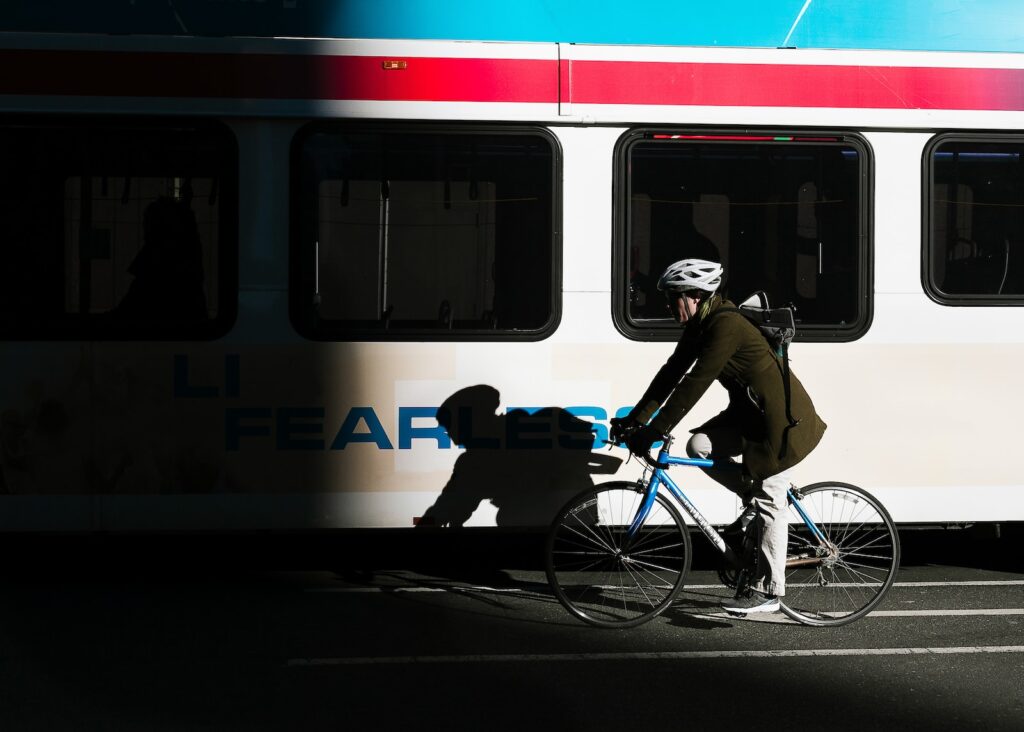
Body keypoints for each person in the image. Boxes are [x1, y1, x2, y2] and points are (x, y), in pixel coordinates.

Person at [610, 257, 826, 615]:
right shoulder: (702, 324)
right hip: (748, 415)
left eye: (672, 297)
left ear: (695, 295)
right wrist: (636, 419)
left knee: (771, 498)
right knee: (699, 446)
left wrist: (655, 431)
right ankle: (749, 494)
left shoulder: (725, 325)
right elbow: (670, 374)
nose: (667, 305)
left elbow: (694, 384)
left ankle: (769, 591)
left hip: (780, 422)